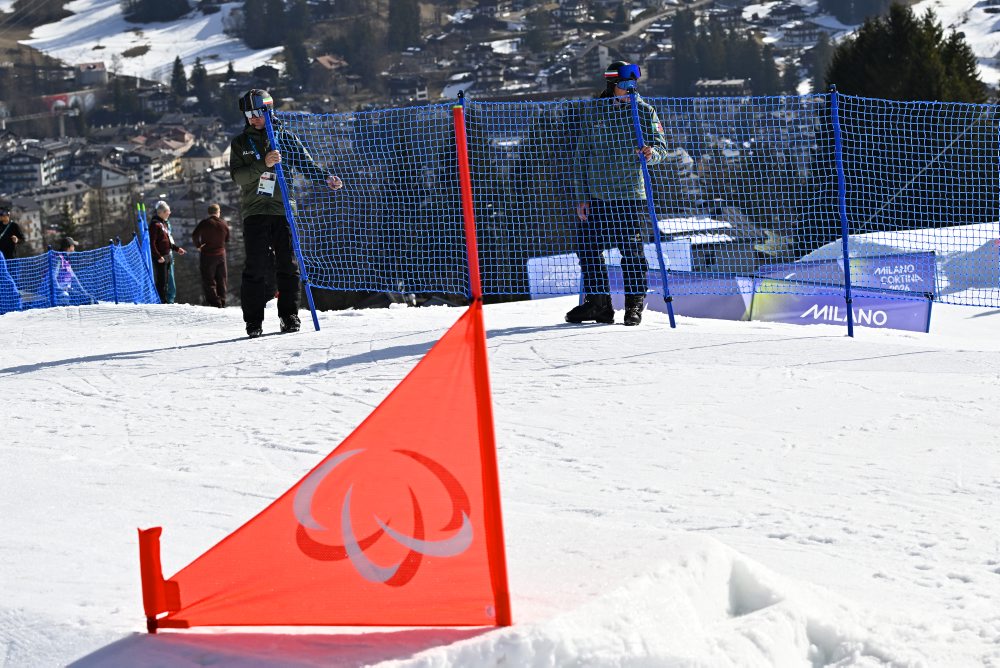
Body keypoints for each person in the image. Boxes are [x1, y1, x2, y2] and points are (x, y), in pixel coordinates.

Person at [229, 88, 343, 338]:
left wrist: (326, 178)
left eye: (257, 113)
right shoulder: (240, 143)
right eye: (248, 115)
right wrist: (264, 164)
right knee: (256, 266)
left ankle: (289, 315)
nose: (252, 119)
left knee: (289, 265)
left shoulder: (287, 138)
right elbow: (238, 177)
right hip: (255, 210)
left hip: (283, 210)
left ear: (269, 111)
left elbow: (306, 165)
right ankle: (253, 321)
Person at [566, 61, 668, 327]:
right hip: (597, 194)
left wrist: (651, 154)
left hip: (629, 194)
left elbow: (661, 147)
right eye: (624, 85)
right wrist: (582, 196)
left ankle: (633, 305)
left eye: (633, 84)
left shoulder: (643, 111)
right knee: (587, 248)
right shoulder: (595, 111)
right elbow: (581, 156)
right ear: (612, 85)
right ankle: (599, 304)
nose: (630, 89)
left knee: (631, 252)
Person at [192, 203, 231, 307]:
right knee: (222, 279)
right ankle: (222, 301)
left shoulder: (205, 223)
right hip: (221, 255)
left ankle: (215, 302)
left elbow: (195, 235)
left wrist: (198, 246)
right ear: (218, 212)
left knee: (208, 280)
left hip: (207, 255)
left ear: (208, 212)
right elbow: (227, 239)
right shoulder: (224, 223)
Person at [149, 200, 186, 303]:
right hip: (161, 257)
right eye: (167, 211)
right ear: (161, 212)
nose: (169, 213)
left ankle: (164, 300)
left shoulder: (163, 223)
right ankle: (161, 300)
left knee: (166, 281)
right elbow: (152, 243)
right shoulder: (155, 224)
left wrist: (177, 249)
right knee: (161, 281)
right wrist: (158, 256)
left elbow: (167, 241)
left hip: (167, 255)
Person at [54, 237, 95, 305]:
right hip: (60, 293)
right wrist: (60, 291)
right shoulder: (58, 258)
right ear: (69, 247)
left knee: (89, 299)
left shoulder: (66, 259)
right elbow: (53, 277)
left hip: (68, 290)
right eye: (73, 246)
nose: (74, 248)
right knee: (65, 297)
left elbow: (74, 279)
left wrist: (84, 293)